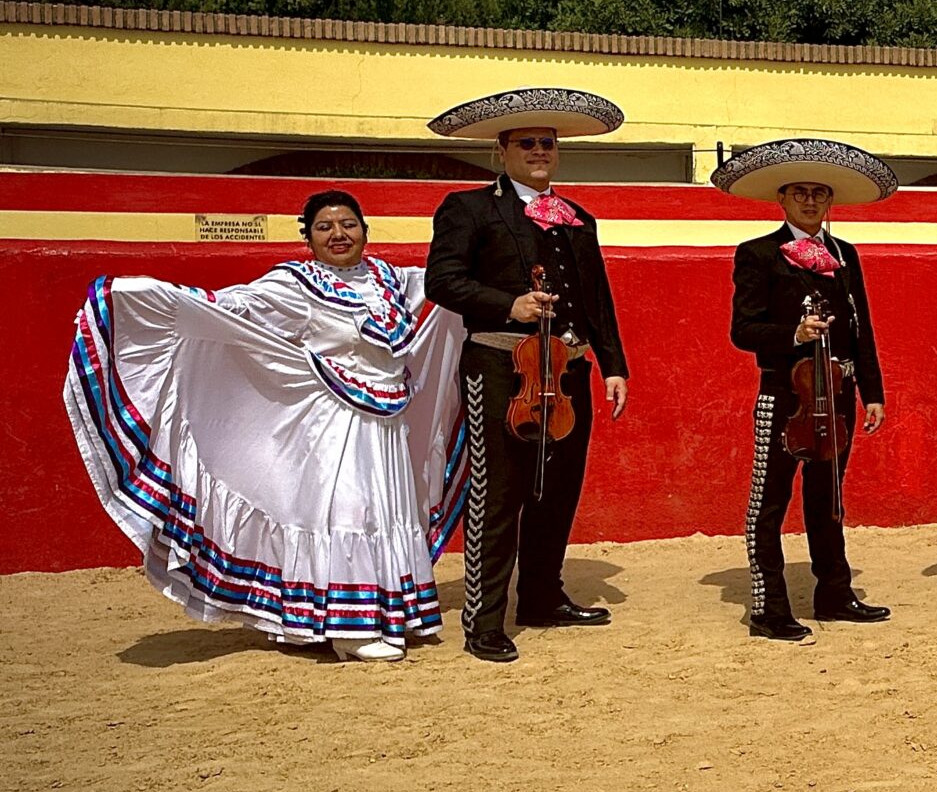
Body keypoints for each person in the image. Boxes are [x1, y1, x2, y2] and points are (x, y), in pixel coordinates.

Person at [65, 189, 465, 661]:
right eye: (324, 227)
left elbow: (448, 286)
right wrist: (158, 299)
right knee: (346, 512)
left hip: (388, 425)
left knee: (385, 512)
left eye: (348, 224)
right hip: (331, 425)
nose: (338, 234)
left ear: (365, 230)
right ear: (308, 238)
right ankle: (347, 628)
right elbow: (234, 308)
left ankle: (385, 613)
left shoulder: (391, 279)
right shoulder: (293, 285)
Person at [426, 88, 632, 663]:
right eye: (527, 143)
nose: (539, 151)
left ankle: (542, 596)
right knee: (500, 493)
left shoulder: (578, 217)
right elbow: (441, 282)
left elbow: (597, 297)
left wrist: (613, 364)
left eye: (547, 143)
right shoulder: (468, 208)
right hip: (500, 363)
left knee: (559, 488)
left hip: (568, 366)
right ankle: (484, 620)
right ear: (502, 150)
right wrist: (507, 304)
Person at [715, 139, 896, 641]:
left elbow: (861, 328)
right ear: (783, 199)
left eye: (819, 193)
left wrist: (872, 392)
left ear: (829, 201)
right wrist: (792, 337)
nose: (810, 202)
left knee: (828, 497)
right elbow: (742, 329)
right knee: (768, 501)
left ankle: (834, 593)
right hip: (784, 392)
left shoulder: (845, 254)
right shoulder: (759, 254)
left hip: (837, 392)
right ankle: (768, 607)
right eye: (800, 193)